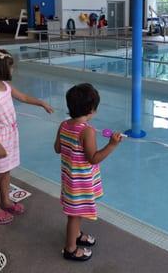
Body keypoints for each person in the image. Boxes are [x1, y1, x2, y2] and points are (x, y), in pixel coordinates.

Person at [0, 48, 54, 225]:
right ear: (0, 69)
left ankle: (5, 201)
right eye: (10, 67)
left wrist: (41, 102)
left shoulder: (5, 86)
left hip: (10, 135)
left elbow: (23, 97)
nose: (12, 70)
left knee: (6, 171)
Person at [54, 83, 122, 262]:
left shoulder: (64, 124)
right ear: (92, 109)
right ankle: (70, 249)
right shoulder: (87, 131)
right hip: (80, 182)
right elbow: (93, 158)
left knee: (77, 211)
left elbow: (57, 148)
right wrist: (112, 145)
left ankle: (75, 235)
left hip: (70, 178)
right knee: (74, 215)